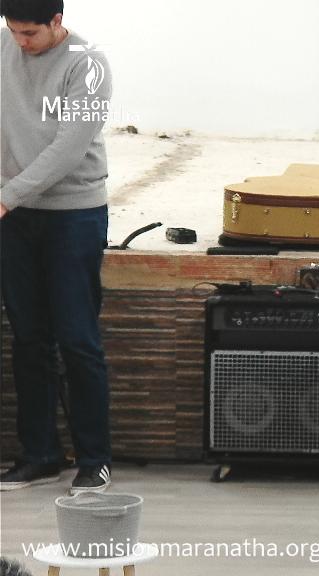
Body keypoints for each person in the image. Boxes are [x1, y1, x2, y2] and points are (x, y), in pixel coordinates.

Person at [0, 0, 113, 493]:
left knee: (78, 339)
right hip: (15, 215)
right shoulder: (6, 44)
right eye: (13, 31)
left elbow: (68, 148)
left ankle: (95, 459)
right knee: (28, 339)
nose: (20, 43)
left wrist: (7, 197)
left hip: (74, 214)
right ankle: (40, 454)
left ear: (57, 21)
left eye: (29, 34)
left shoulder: (88, 64)